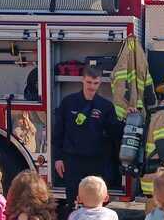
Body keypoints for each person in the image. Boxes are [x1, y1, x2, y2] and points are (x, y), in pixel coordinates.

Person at [52, 65, 123, 204]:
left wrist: (129, 116)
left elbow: (115, 133)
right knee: (73, 202)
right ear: (82, 80)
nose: (92, 86)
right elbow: (59, 132)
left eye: (95, 83)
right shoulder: (68, 102)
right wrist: (58, 158)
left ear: (100, 82)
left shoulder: (105, 106)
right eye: (89, 82)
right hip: (73, 161)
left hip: (97, 162)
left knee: (97, 203)